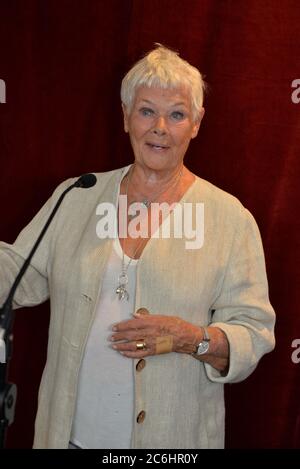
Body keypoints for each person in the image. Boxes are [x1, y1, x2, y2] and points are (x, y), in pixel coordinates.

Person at [0, 44, 275, 449]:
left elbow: (253, 333)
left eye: (177, 114)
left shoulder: (229, 218)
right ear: (126, 116)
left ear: (196, 123)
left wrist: (190, 337)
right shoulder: (77, 196)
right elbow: (18, 275)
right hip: (67, 438)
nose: (160, 126)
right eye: (146, 110)